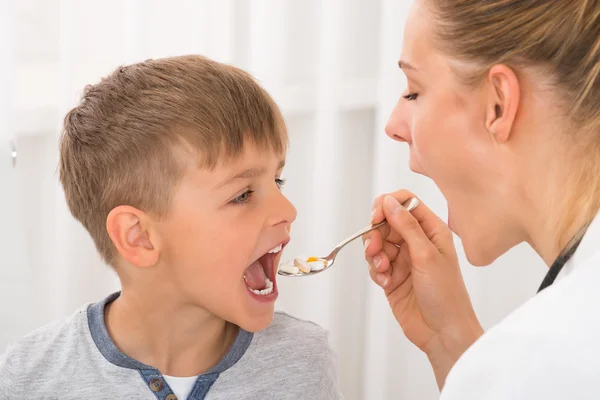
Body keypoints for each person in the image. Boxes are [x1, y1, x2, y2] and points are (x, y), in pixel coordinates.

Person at [0, 55, 341, 400]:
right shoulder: (31, 377)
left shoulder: (302, 362)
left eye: (277, 181)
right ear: (139, 236)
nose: (288, 210)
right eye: (242, 195)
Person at [363, 0, 600, 398]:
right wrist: (451, 342)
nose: (393, 126)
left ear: (499, 104)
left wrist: (490, 374)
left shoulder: (547, 358)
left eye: (415, 92)